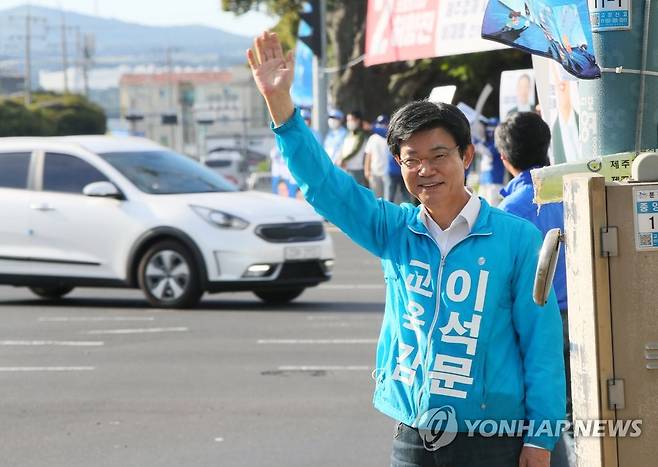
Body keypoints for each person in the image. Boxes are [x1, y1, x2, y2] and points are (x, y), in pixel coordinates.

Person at [247, 31, 565, 467]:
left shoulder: (517, 238)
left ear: (467, 156)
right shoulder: (394, 229)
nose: (425, 169)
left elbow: (541, 345)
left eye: (438, 155)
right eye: (411, 159)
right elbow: (325, 186)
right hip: (415, 433)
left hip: (493, 436)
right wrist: (281, 108)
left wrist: (541, 437)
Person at [495, 112, 573, 467]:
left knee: (544, 411)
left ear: (504, 158)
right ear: (547, 147)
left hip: (536, 323)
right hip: (585, 313)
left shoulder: (509, 210)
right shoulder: (574, 190)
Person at [339, 110, 369, 186]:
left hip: (357, 170)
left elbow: (355, 150)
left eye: (351, 120)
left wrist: (343, 159)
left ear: (358, 120)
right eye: (347, 120)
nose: (349, 122)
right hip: (347, 169)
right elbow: (343, 149)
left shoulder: (360, 135)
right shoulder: (348, 134)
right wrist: (340, 159)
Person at [364, 114, 391, 198]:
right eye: (379, 123)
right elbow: (368, 155)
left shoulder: (390, 138)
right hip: (374, 171)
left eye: (383, 123)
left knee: (388, 198)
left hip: (388, 172)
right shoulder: (373, 138)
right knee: (376, 198)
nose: (381, 125)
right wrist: (367, 170)